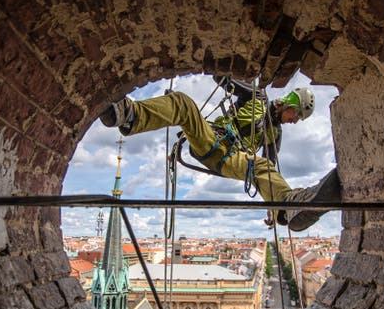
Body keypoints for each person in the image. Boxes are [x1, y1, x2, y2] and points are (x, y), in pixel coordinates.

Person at [98, 77, 339, 231]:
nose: (295, 121)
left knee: (262, 165)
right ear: (290, 104)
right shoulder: (256, 97)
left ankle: (289, 206)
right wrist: (239, 68)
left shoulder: (274, 135)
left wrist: (272, 207)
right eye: (296, 115)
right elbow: (222, 76)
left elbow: (269, 173)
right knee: (183, 103)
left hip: (234, 159)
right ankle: (129, 115)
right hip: (212, 139)